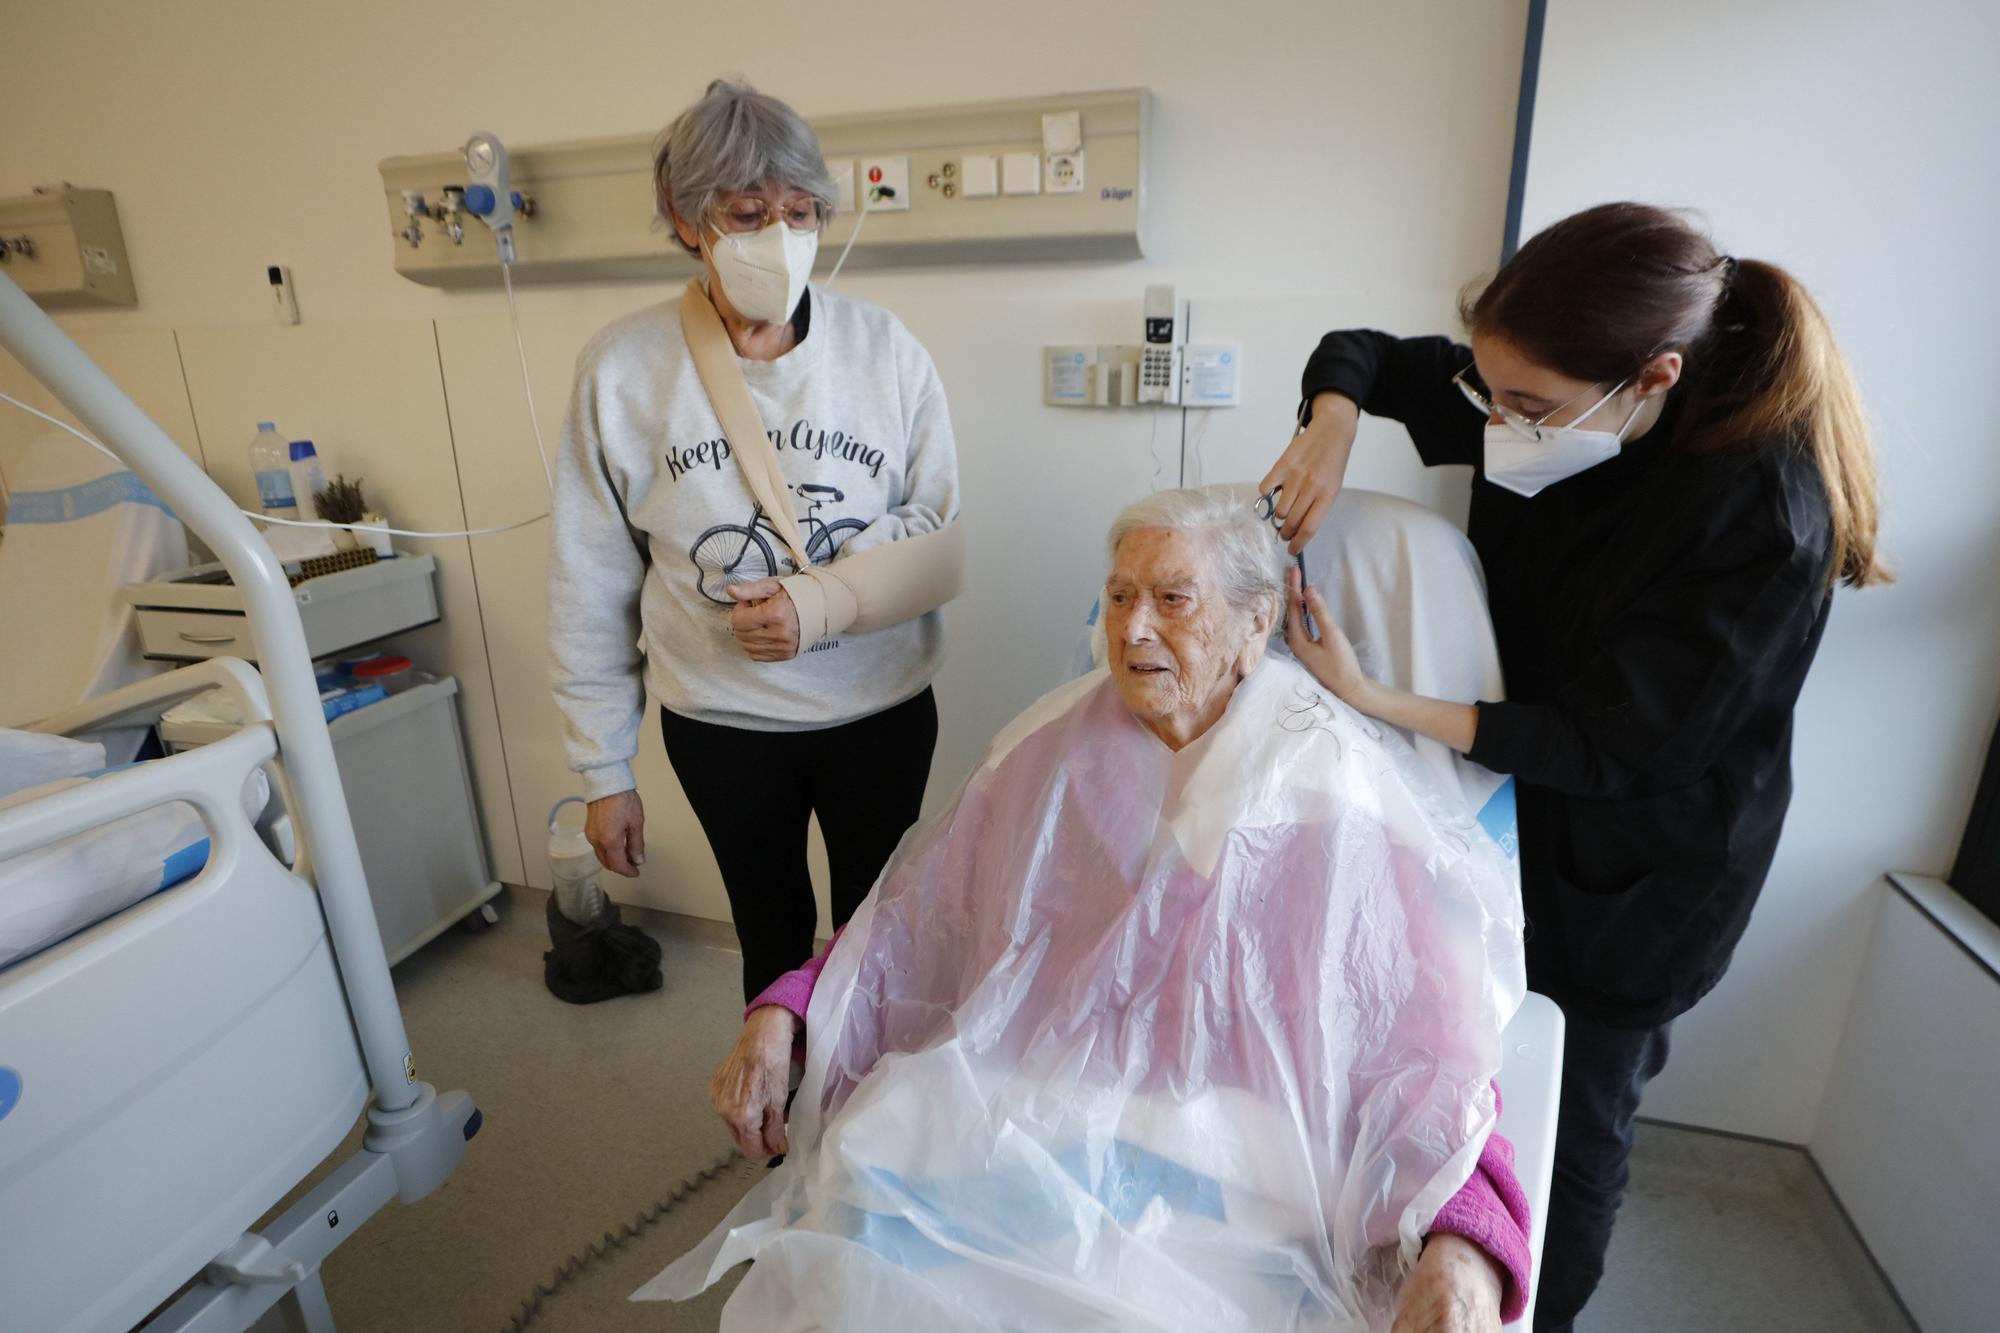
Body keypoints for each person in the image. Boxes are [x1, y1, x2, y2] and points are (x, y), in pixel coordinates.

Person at [659, 488, 1533, 1333]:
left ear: (1254, 625)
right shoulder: (1049, 751)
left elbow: (1431, 1049)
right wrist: (790, 1006)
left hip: (1237, 1157)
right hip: (1031, 1093)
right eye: (1119, 596)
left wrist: (1467, 1236)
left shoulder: (1334, 790)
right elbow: (910, 922)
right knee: (858, 1220)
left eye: (1172, 599)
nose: (1133, 627)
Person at [1262, 202, 1888, 1331]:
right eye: (1487, 394)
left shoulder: (1761, 514)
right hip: (1504, 799)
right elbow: (1362, 352)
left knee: (1569, 1116)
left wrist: (1369, 699)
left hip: (1641, 875)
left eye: (1524, 407)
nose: (1497, 424)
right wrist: (1331, 421)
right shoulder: (1546, 400)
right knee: (1458, 1059)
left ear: (1648, 378)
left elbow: (1614, 745)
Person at [548, 79, 960, 1002]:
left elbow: (936, 535)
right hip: (724, 724)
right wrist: (603, 770)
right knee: (769, 936)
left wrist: (820, 604)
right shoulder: (622, 371)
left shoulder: (883, 351)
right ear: (687, 220)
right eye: (748, 212)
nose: (782, 235)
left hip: (878, 710)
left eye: (802, 211)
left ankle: (860, 1127)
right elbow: (588, 582)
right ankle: (783, 1133)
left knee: (878, 939)